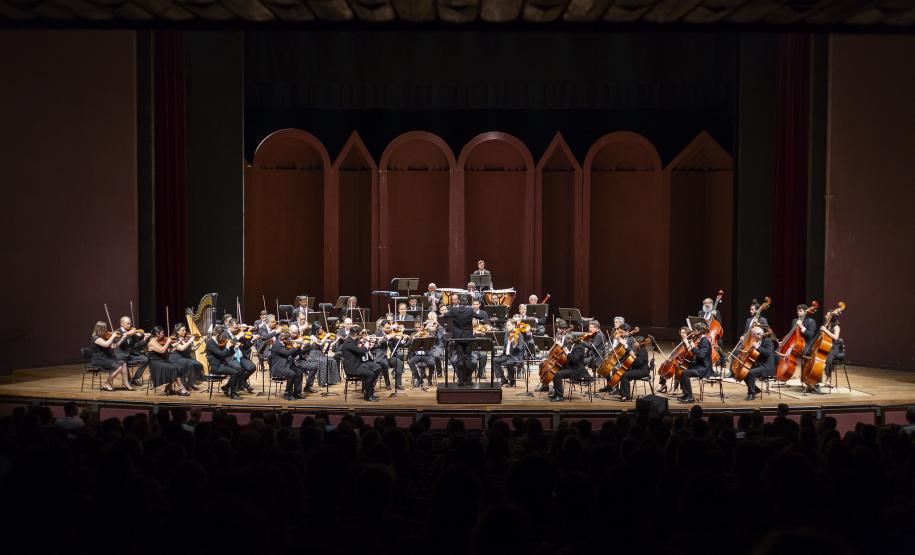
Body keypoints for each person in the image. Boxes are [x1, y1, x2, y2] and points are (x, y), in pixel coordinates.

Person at [441, 294, 484, 385]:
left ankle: (461, 380)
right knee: (468, 358)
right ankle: (468, 379)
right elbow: (480, 317)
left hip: (458, 338)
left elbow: (444, 316)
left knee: (460, 359)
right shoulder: (470, 310)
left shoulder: (454, 310)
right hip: (468, 338)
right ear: (467, 302)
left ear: (459, 301)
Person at [337, 326, 382, 401]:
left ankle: (369, 391)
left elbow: (360, 350)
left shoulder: (353, 341)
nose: (361, 336)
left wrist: (368, 344)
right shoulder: (348, 343)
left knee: (377, 368)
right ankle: (367, 395)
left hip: (358, 364)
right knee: (370, 374)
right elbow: (361, 351)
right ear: (355, 335)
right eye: (360, 335)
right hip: (352, 368)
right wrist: (367, 345)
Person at [550, 332, 598, 402]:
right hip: (571, 367)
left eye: (569, 339)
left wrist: (567, 353)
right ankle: (556, 394)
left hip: (576, 370)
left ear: (574, 339)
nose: (568, 340)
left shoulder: (579, 347)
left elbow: (574, 360)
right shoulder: (572, 345)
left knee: (558, 375)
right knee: (555, 372)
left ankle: (560, 396)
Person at [88, 321, 132, 391]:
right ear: (100, 329)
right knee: (119, 366)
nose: (106, 329)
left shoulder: (104, 337)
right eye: (104, 328)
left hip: (106, 358)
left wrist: (123, 338)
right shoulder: (96, 338)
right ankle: (107, 383)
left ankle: (126, 383)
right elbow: (106, 345)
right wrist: (113, 336)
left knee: (123, 363)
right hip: (99, 359)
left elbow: (114, 346)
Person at [147, 326, 189, 396]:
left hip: (162, 361)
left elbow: (166, 352)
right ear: (157, 334)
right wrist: (168, 342)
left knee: (177, 367)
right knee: (173, 368)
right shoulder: (152, 342)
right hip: (155, 363)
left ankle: (169, 387)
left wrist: (174, 347)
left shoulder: (157, 341)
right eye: (162, 333)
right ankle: (181, 388)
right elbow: (162, 350)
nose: (164, 335)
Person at [205, 325, 243, 399]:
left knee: (239, 370)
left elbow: (227, 354)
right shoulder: (210, 343)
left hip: (222, 364)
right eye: (222, 335)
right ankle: (232, 393)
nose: (224, 337)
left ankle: (227, 388)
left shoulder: (218, 342)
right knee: (235, 373)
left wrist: (233, 347)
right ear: (217, 334)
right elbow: (222, 354)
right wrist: (227, 347)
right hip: (216, 367)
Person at [677, 323, 712, 404]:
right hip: (699, 365)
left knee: (685, 373)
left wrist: (693, 347)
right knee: (683, 370)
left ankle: (690, 397)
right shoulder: (701, 340)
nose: (694, 331)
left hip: (704, 368)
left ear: (700, 331)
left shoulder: (705, 341)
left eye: (695, 330)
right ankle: (686, 394)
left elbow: (701, 355)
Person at [270, 331, 306, 400]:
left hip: (286, 365)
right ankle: (287, 393)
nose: (290, 341)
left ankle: (297, 393)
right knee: (291, 374)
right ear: (283, 339)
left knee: (299, 372)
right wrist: (294, 347)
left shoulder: (284, 344)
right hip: (278, 368)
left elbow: (292, 354)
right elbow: (287, 353)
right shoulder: (277, 345)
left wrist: (299, 347)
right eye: (288, 339)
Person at [743, 325, 776, 400]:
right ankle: (756, 389)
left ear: (758, 334)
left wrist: (757, 347)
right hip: (760, 364)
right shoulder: (758, 341)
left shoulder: (768, 341)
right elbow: (758, 354)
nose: (752, 336)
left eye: (753, 335)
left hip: (767, 367)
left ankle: (751, 394)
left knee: (751, 373)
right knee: (744, 371)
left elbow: (767, 353)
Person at [115, 316, 151, 387]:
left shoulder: (132, 332)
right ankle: (127, 380)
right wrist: (128, 334)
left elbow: (136, 346)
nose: (130, 325)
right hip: (121, 355)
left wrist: (144, 339)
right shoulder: (117, 332)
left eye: (130, 323)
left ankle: (136, 379)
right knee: (123, 361)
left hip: (131, 355)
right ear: (122, 323)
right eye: (128, 324)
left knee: (145, 359)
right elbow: (119, 344)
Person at [169, 323, 204, 390]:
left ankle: (190, 384)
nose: (185, 332)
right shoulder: (173, 338)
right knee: (192, 364)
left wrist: (201, 342)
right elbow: (181, 348)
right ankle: (186, 385)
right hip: (176, 358)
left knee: (199, 365)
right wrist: (190, 341)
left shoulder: (186, 338)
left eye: (185, 330)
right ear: (177, 331)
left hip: (185, 357)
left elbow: (192, 349)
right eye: (183, 330)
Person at [373, 322, 406, 390]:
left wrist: (403, 340)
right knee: (384, 363)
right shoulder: (377, 333)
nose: (389, 329)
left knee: (399, 362)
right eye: (387, 328)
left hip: (389, 356)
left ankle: (398, 384)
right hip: (381, 356)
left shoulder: (391, 333)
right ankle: (387, 383)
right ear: (382, 327)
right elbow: (379, 343)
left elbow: (397, 344)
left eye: (389, 327)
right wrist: (388, 336)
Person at [616, 336, 650, 401]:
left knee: (624, 375)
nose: (633, 344)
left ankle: (626, 396)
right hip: (638, 369)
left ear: (639, 343)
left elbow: (639, 363)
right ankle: (623, 394)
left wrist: (633, 355)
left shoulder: (643, 351)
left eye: (635, 342)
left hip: (643, 371)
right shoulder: (639, 349)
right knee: (623, 374)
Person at [819, 315, 844, 387]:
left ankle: (828, 379)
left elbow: (836, 337)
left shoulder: (836, 327)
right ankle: (816, 377)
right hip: (826, 346)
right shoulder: (827, 326)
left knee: (828, 360)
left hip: (834, 348)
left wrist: (825, 330)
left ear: (832, 317)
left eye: (827, 315)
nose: (825, 316)